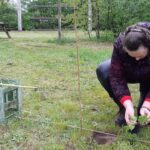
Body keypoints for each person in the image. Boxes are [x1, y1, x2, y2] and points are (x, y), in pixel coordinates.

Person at [96, 22, 150, 127]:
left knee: (143, 113)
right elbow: (116, 77)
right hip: (129, 71)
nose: (137, 59)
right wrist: (127, 104)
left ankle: (144, 101)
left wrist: (148, 104)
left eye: (140, 56)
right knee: (104, 70)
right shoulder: (119, 44)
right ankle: (124, 109)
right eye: (132, 56)